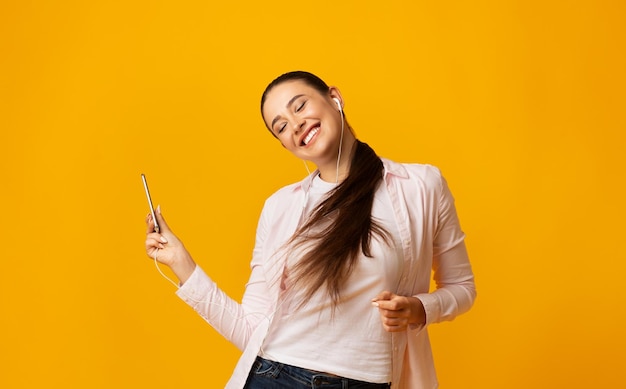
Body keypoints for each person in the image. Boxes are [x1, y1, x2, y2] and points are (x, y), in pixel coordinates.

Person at [144, 71, 476, 389]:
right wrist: (180, 262)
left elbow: (462, 287)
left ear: (334, 98)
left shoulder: (420, 186)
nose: (296, 124)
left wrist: (419, 309)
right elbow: (250, 329)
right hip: (273, 377)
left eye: (300, 105)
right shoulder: (280, 207)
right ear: (286, 145)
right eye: (281, 126)